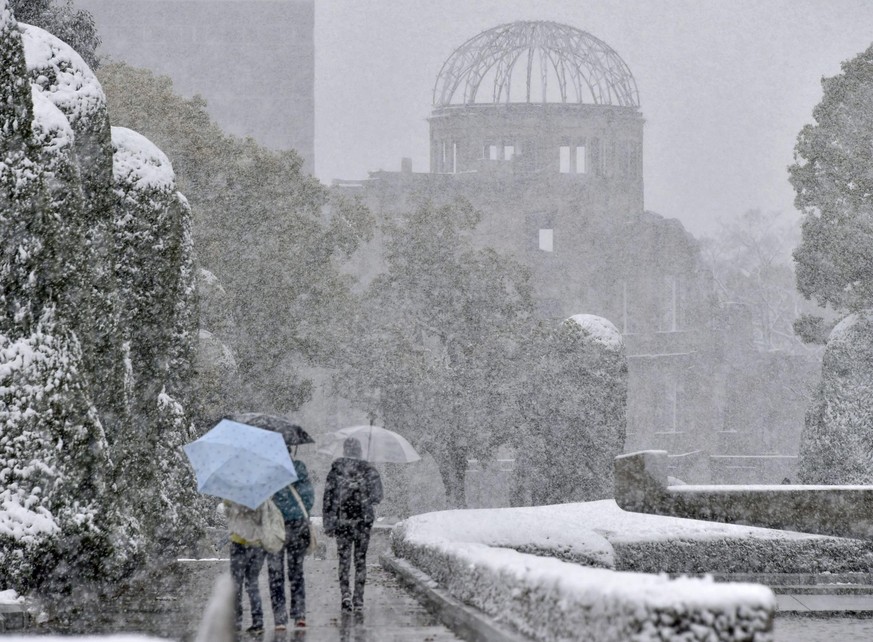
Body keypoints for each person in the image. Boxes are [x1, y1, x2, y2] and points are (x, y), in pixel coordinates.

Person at [322, 437, 383, 612]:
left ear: (345, 450)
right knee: (360, 560)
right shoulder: (368, 469)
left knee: (344, 559)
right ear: (360, 451)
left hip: (343, 521)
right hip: (363, 522)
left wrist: (328, 522)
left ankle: (345, 594)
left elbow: (328, 498)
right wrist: (366, 493)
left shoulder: (336, 470)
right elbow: (378, 496)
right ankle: (359, 598)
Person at [267, 446, 315, 630]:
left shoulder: (270, 472)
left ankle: (280, 618)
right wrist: (299, 511)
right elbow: (309, 497)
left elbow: (263, 500)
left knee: (275, 573)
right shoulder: (299, 468)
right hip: (297, 526)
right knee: (296, 573)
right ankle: (299, 614)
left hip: (276, 528)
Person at [224, 501, 268, 634]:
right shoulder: (262, 495)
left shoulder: (234, 494)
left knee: (236, 585)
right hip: (258, 544)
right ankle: (258, 621)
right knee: (252, 583)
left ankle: (237, 622)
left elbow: (227, 512)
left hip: (239, 543)